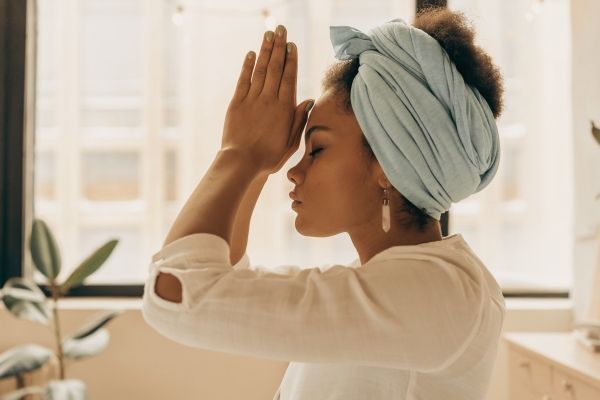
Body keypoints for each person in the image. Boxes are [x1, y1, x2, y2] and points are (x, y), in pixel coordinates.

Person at [142, 6, 506, 400]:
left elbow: (177, 293)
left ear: (387, 164)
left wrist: (239, 155)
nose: (293, 172)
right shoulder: (392, 284)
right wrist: (258, 167)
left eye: (315, 149)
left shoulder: (438, 293)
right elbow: (220, 274)